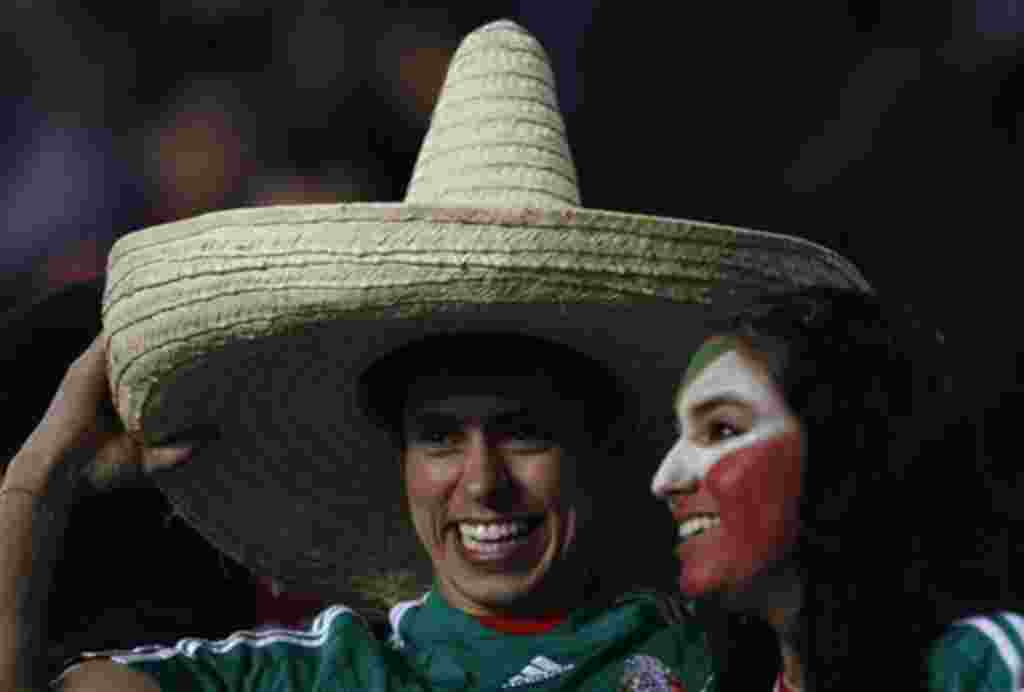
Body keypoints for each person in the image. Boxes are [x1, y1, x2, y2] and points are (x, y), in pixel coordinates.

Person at [1, 20, 868, 692]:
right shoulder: (319, 674)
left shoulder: (729, 645)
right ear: (399, 462)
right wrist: (38, 480)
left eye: (524, 432)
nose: (482, 481)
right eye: (440, 437)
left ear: (603, 444)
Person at [651, 286, 1021, 691]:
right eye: (679, 435)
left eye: (721, 428)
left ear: (840, 446)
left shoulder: (986, 667)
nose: (664, 480)